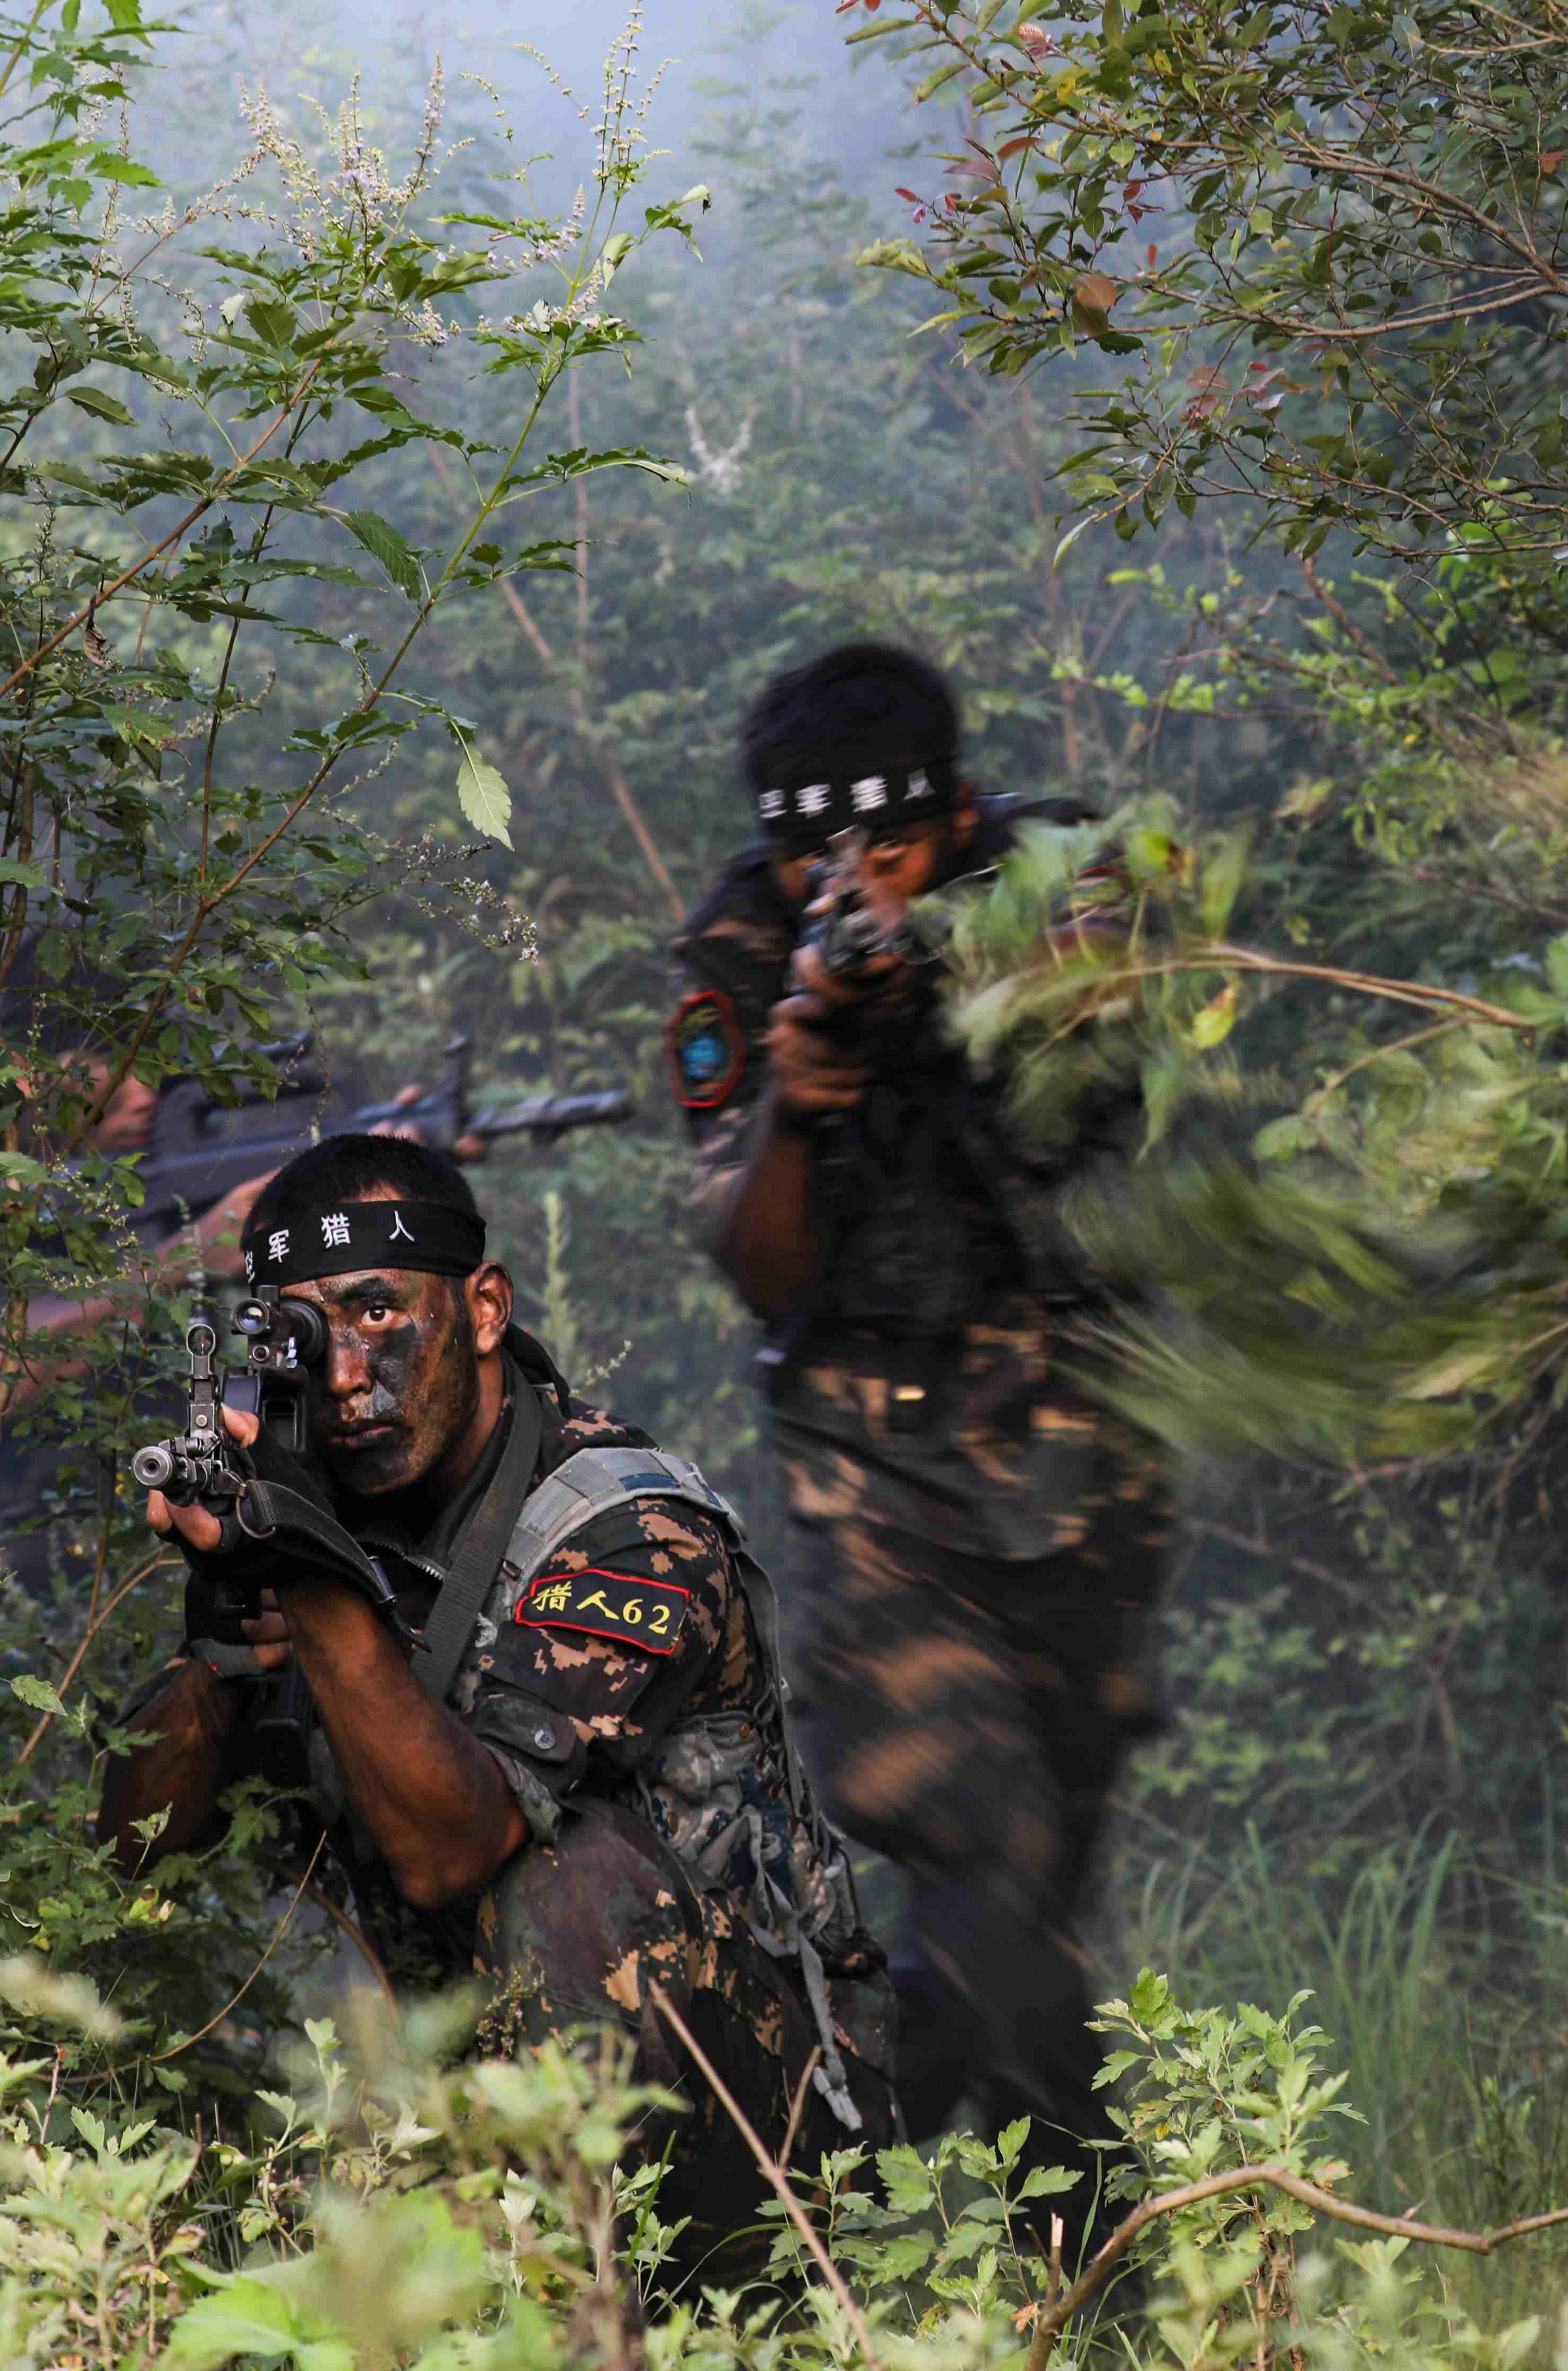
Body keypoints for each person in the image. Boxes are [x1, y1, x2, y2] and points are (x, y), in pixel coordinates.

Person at [95, 1133, 891, 2278]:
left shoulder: (628, 1528)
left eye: (379, 1313)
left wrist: (312, 1582)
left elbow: (456, 1852)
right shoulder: (315, 1491)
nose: (344, 1377)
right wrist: (224, 1638)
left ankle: (620, 2302)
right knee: (226, 1908)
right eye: (306, 1336)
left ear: (483, 1310)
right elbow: (131, 1852)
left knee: (570, 1886)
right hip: (461, 2087)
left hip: (767, 2123)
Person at [666, 642, 1171, 2248]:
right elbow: (758, 1266)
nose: (851, 884)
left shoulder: (1064, 873)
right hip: (874, 1476)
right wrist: (796, 1097)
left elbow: (1099, 1054)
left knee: (1020, 1911)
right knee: (978, 1848)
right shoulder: (743, 953)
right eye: (815, 854)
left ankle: (802, 2181)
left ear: (956, 814)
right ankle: (1103, 2278)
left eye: (887, 845)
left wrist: (942, 983)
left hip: (1088, 1458)